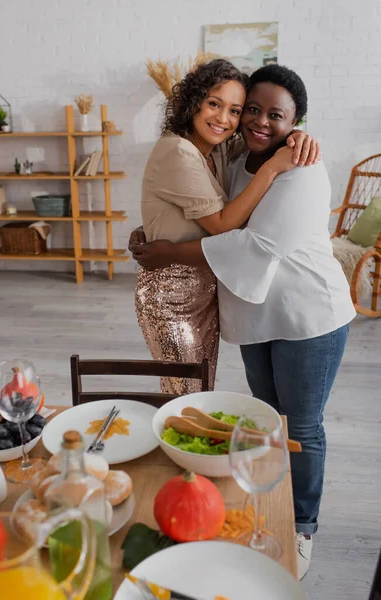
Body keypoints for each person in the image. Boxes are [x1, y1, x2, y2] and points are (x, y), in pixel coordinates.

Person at [130, 64, 356, 580]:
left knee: (301, 426)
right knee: (267, 419)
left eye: (275, 116)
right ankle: (265, 509)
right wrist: (153, 232)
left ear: (297, 123)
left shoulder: (300, 168)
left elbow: (254, 244)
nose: (254, 121)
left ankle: (301, 528)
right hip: (255, 314)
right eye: (249, 109)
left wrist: (168, 251)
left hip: (307, 315)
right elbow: (196, 199)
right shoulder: (236, 156)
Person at [135, 59, 319, 395]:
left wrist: (296, 134)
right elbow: (221, 224)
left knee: (199, 390)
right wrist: (274, 168)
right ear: (194, 102)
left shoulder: (217, 148)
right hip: (172, 290)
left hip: (207, 290)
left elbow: (264, 133)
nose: (224, 119)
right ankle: (167, 446)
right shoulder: (179, 150)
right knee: (183, 392)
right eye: (214, 104)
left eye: (235, 110)